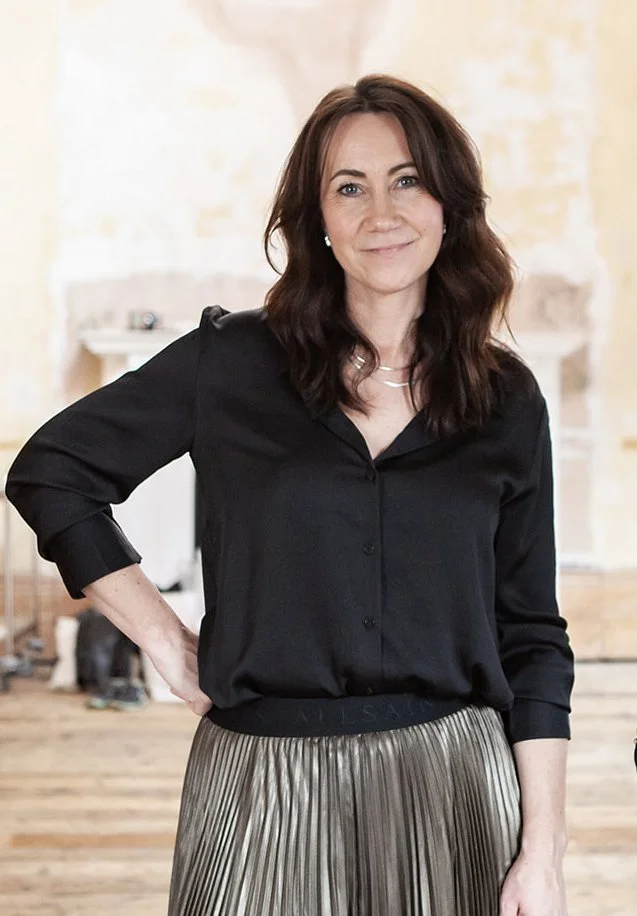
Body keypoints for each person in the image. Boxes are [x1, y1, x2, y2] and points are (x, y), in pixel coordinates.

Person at [5, 74, 574, 915]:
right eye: (349, 187)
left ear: (449, 206)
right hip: (258, 787)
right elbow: (52, 470)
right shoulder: (230, 363)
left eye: (407, 179)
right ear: (319, 223)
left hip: (451, 789)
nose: (381, 211)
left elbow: (531, 636)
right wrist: (159, 637)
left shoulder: (506, 399)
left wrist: (543, 853)